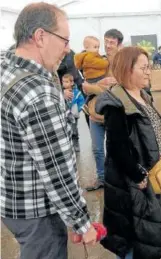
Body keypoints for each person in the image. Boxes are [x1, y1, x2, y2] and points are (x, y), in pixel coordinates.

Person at [0, 3, 97, 259]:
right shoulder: (38, 93)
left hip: (11, 199)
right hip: (36, 212)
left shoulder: (5, 65)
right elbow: (57, 171)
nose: (68, 49)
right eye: (64, 40)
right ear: (40, 36)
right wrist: (82, 222)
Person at [95, 46, 161, 259]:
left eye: (148, 67)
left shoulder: (143, 95)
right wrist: (137, 174)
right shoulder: (116, 103)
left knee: (148, 231)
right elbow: (116, 146)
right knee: (135, 234)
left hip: (151, 177)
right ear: (127, 70)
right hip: (133, 183)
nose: (149, 71)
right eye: (144, 67)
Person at [82, 29, 123, 191]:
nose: (107, 45)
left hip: (114, 114)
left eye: (111, 42)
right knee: (97, 149)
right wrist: (93, 87)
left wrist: (93, 87)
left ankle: (117, 178)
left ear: (119, 44)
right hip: (94, 113)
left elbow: (116, 90)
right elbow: (85, 86)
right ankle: (101, 178)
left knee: (116, 148)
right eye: (106, 41)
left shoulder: (122, 63)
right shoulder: (99, 62)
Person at [62, 73, 85, 152]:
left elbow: (81, 101)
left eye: (66, 82)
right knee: (65, 130)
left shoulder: (77, 92)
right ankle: (69, 145)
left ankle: (76, 143)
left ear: (72, 83)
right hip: (64, 114)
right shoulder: (62, 92)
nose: (64, 83)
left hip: (73, 115)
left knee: (74, 129)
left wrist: (77, 110)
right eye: (63, 82)